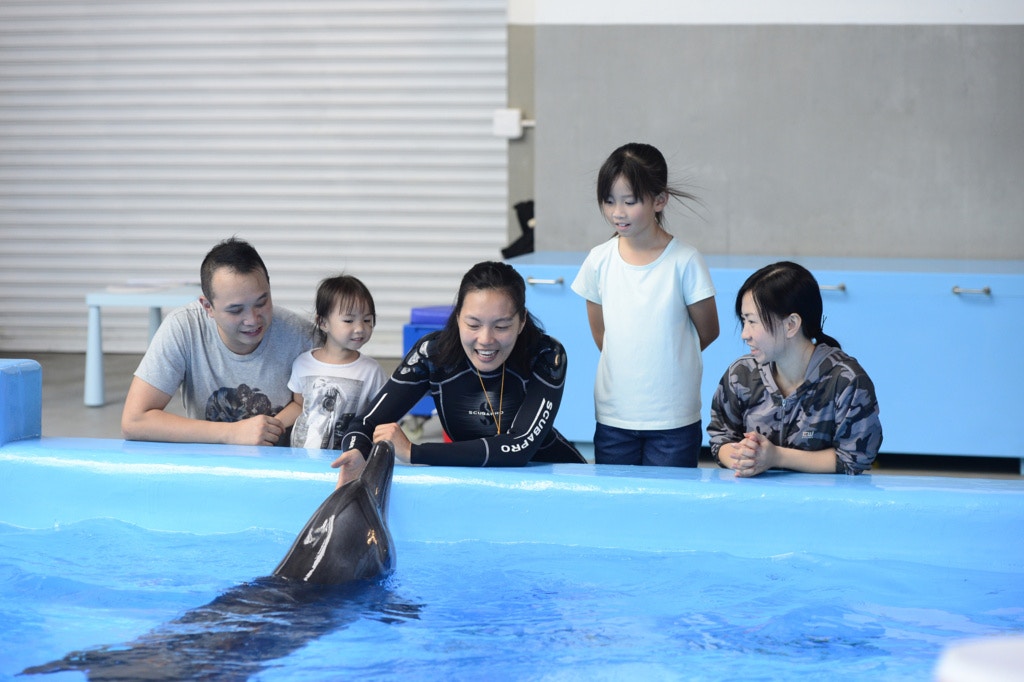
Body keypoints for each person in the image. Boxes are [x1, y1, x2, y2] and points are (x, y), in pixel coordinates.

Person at [332, 260, 586, 487]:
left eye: (502, 326)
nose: (485, 339)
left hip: (556, 481)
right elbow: (366, 423)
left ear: (521, 321)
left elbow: (518, 448)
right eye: (473, 324)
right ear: (457, 318)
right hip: (478, 482)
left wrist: (414, 452)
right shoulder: (432, 354)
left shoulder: (545, 355)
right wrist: (357, 451)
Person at [571, 142, 719, 467]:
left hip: (673, 422)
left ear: (660, 200)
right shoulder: (599, 261)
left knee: (668, 512)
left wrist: (668, 356)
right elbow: (602, 336)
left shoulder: (685, 261)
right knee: (617, 512)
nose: (617, 212)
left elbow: (707, 332)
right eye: (609, 201)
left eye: (630, 201)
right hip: (614, 418)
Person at [121, 237, 314, 446]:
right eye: (235, 310)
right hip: (210, 465)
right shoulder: (184, 328)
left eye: (262, 302)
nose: (252, 320)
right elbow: (134, 421)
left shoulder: (301, 336)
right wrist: (232, 433)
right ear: (208, 307)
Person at [707, 261, 883, 477]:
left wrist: (776, 457)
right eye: (743, 321)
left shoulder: (846, 381)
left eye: (753, 322)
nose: (745, 334)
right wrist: (747, 458)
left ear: (791, 324)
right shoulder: (741, 374)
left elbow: (854, 458)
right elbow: (721, 438)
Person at [287, 275, 387, 450]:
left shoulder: (371, 370)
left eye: (367, 320)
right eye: (349, 320)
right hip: (301, 459)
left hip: (348, 459)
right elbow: (299, 405)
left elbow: (381, 417)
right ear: (323, 322)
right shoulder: (303, 363)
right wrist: (273, 424)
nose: (360, 328)